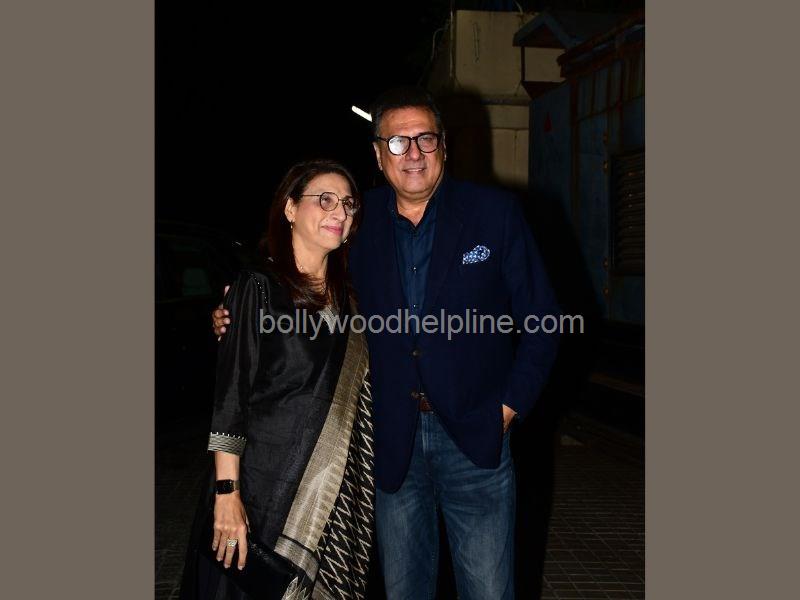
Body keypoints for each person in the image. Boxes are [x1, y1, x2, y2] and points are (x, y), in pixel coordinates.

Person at [213, 87, 560, 599]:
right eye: (397, 142)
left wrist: (507, 408)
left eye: (425, 139)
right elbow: (303, 273)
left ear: (444, 146)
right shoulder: (358, 222)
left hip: (476, 439)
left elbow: (544, 322)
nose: (412, 153)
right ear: (378, 155)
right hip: (391, 444)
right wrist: (239, 309)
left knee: (488, 590)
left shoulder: (495, 213)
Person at [181, 159, 373, 600]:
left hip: (332, 494)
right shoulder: (258, 288)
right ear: (290, 209)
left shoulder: (352, 301)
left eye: (348, 204)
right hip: (261, 488)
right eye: (325, 200)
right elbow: (230, 398)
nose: (339, 213)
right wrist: (226, 493)